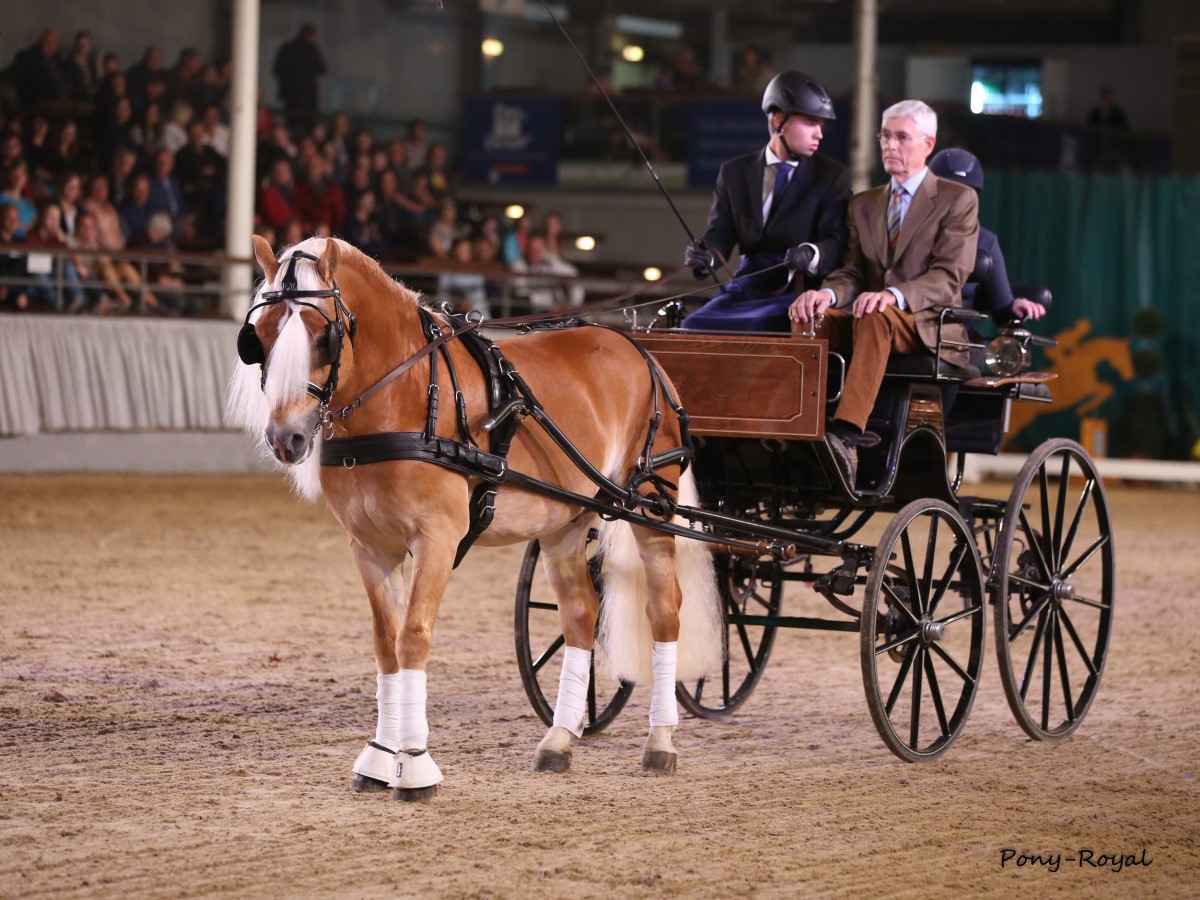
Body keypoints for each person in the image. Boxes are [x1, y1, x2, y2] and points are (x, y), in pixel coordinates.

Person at [789, 99, 979, 487]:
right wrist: (826, 294)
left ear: (928, 143)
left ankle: (847, 433)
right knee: (809, 316)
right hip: (870, 318)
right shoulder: (864, 204)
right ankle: (802, 425)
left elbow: (950, 275)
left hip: (927, 325)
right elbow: (853, 272)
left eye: (902, 138)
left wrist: (894, 295)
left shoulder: (957, 200)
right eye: (885, 136)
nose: (891, 146)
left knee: (874, 315)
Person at [682, 71, 851, 332]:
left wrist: (812, 252)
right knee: (693, 324)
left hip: (797, 288)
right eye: (809, 123)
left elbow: (836, 239)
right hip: (747, 284)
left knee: (759, 325)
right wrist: (707, 256)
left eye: (821, 125)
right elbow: (722, 232)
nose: (819, 134)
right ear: (779, 121)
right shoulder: (734, 172)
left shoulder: (832, 176)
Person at [927, 148, 1046, 325]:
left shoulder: (985, 241)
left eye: (966, 194)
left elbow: (1002, 309)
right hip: (907, 328)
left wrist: (1015, 307)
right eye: (949, 192)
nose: (956, 201)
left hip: (956, 340)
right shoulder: (910, 232)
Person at [273, 23, 327, 131]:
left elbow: (277, 70)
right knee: (301, 124)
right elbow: (322, 68)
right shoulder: (310, 49)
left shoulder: (288, 48)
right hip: (303, 96)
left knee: (294, 123)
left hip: (295, 96)